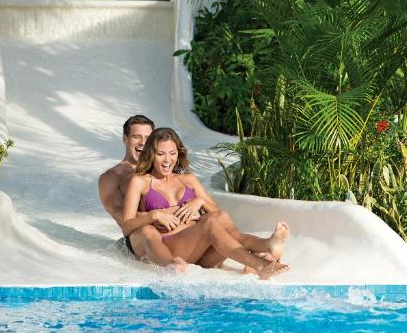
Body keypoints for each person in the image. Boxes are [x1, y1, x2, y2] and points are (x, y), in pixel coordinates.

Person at [123, 127, 290, 280]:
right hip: (169, 247)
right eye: (161, 154)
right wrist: (155, 214)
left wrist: (199, 201)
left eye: (172, 153)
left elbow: (218, 214)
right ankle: (260, 264)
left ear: (178, 153)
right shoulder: (140, 182)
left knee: (220, 216)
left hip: (199, 249)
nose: (168, 160)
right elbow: (127, 226)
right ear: (151, 154)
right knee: (209, 223)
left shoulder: (188, 179)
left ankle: (267, 245)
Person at [98, 115, 186, 268]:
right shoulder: (111, 178)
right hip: (139, 241)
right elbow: (122, 218)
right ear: (125, 139)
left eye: (147, 137)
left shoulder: (164, 166)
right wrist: (161, 214)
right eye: (136, 137)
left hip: (170, 235)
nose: (143, 142)